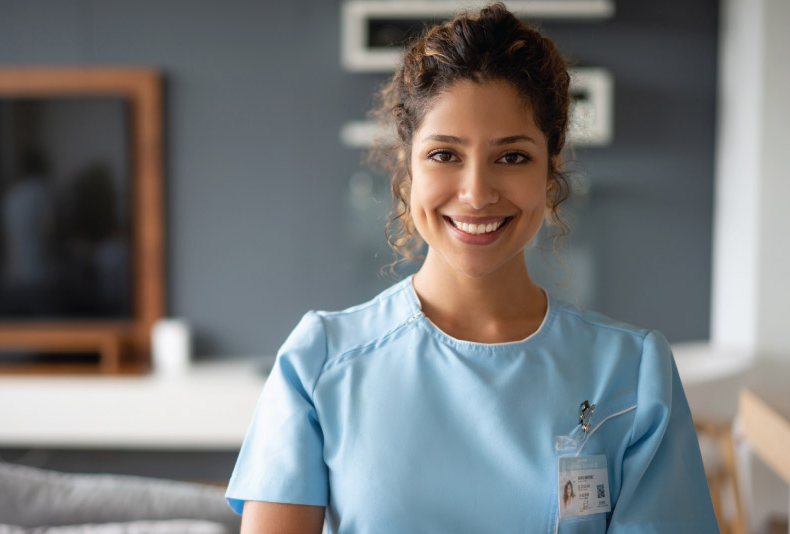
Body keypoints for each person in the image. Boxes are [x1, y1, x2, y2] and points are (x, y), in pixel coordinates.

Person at [226, 3, 719, 533]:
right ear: (407, 169)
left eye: (512, 157)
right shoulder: (318, 362)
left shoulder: (632, 371)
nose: (477, 193)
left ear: (551, 175)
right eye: (444, 155)